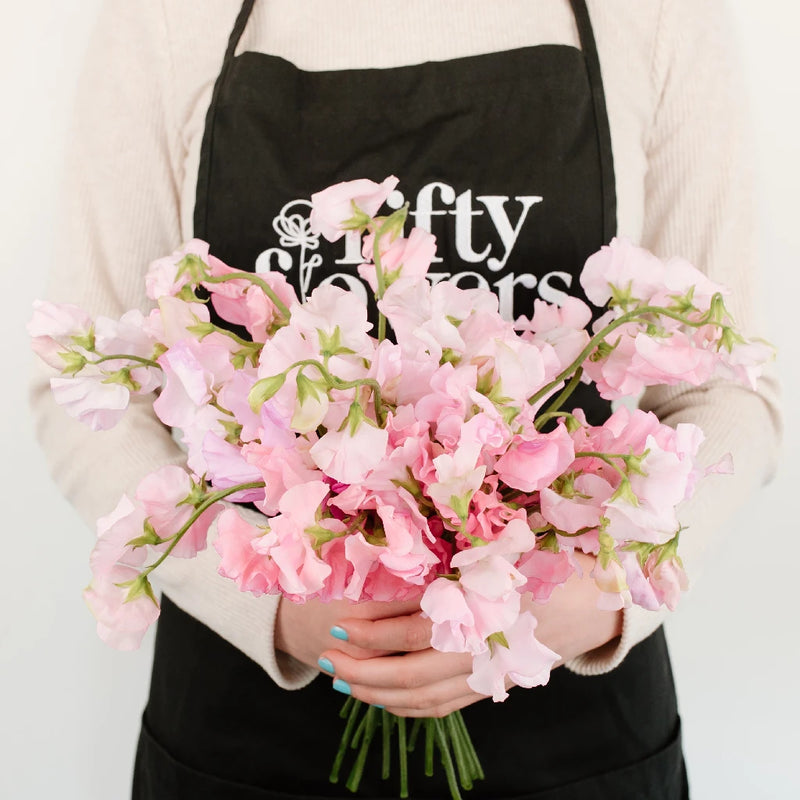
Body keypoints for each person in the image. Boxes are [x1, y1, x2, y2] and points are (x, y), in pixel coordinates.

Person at [31, 1, 781, 798]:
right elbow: (80, 382)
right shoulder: (169, 19)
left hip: (572, 739)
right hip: (247, 732)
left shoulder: (657, 17)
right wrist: (277, 614)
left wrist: (590, 604)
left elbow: (732, 388)